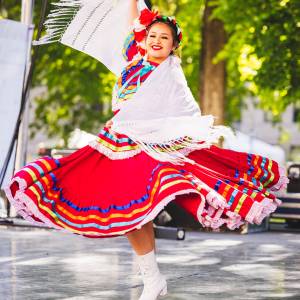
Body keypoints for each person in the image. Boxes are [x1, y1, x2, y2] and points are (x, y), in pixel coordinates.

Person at [5, 1, 288, 299]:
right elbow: (134, 21)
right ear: (144, 37)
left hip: (152, 149)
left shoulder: (173, 75)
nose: (157, 41)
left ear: (173, 46)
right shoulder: (132, 56)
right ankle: (153, 277)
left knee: (140, 209)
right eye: (153, 34)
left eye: (164, 38)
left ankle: (152, 280)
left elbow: (186, 116)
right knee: (127, 212)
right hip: (117, 142)